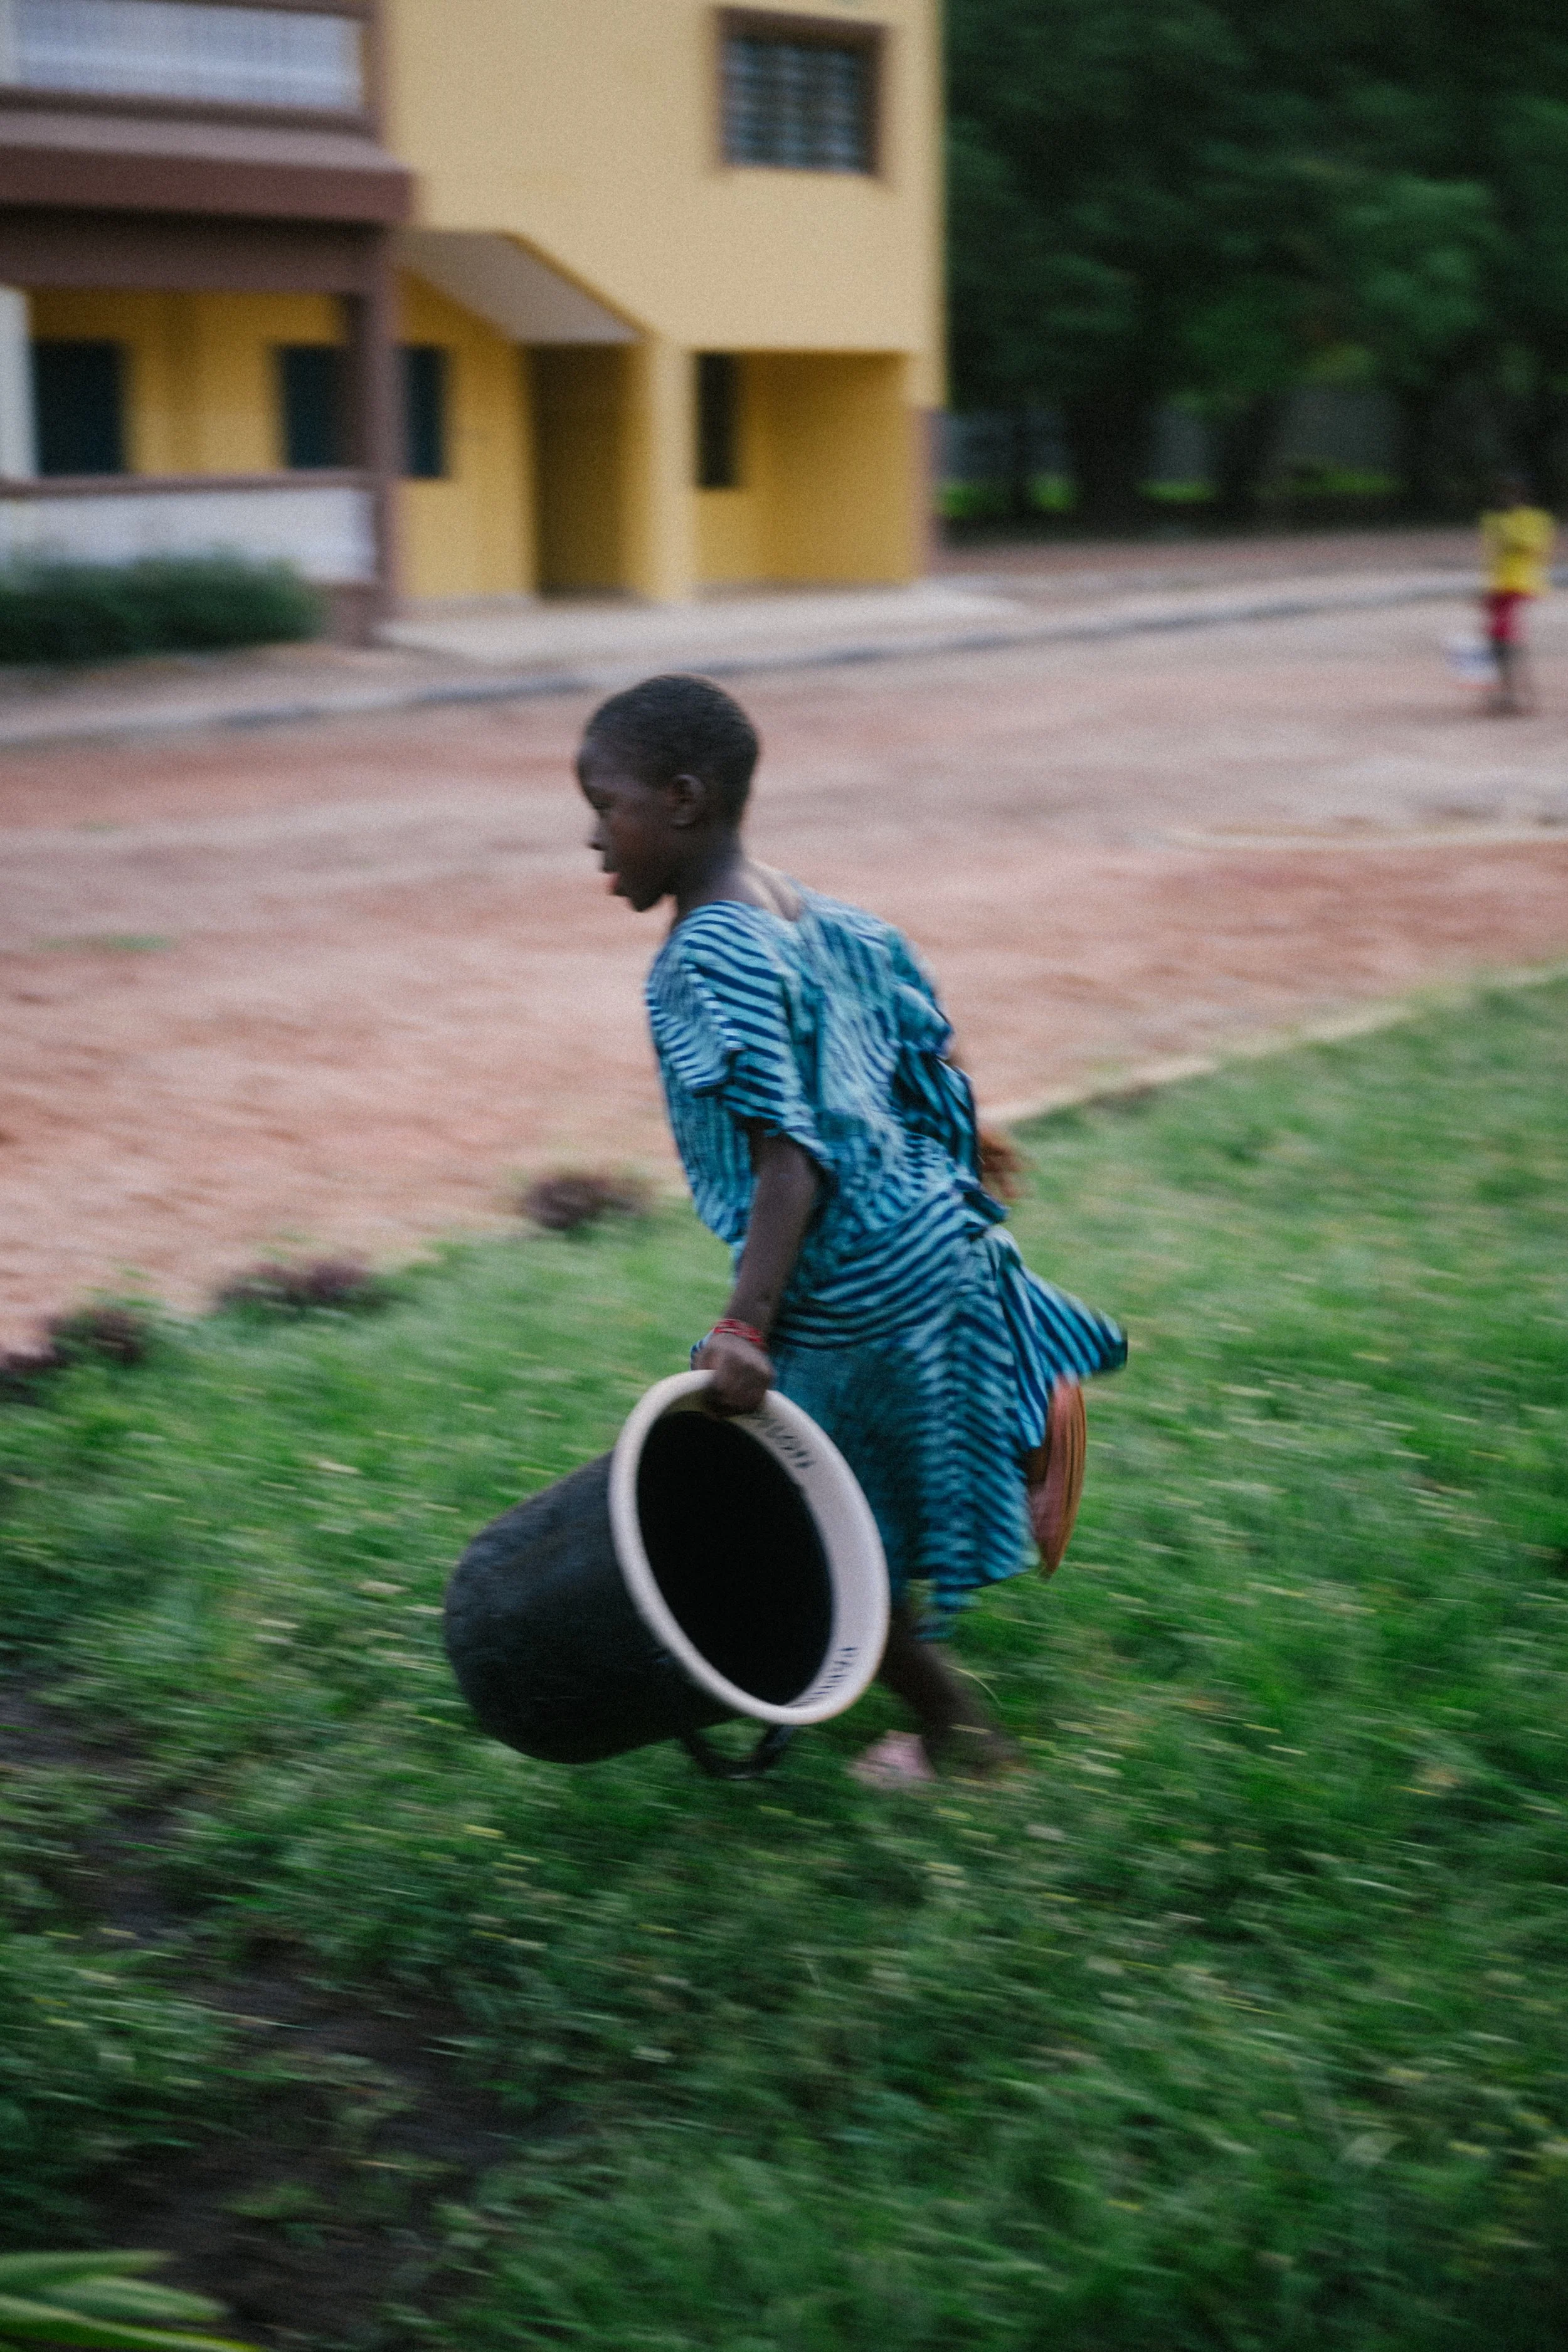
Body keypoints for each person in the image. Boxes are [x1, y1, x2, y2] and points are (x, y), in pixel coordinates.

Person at [576, 674, 1126, 1786]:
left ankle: (960, 1738)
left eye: (606, 805)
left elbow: (795, 1152)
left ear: (683, 800)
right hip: (937, 1231)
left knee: (821, 1547)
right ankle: (1028, 1443)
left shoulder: (705, 954)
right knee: (888, 1470)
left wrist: (748, 1324)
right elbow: (909, 1038)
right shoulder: (801, 907)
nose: (593, 838)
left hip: (851, 1284)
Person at [1480, 474, 1555, 715]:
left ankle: (1515, 695)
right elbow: (1492, 556)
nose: (1506, 498)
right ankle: (1512, 693)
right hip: (1500, 585)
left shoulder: (1535, 519)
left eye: (1512, 493)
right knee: (1498, 641)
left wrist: (1506, 527)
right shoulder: (1494, 520)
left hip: (1520, 585)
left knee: (1505, 639)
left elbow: (1533, 548)